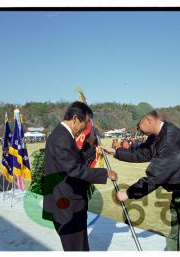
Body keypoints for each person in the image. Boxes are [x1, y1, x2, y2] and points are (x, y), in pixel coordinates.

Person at [103, 103, 180, 251]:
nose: (138, 130)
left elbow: (155, 178)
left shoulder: (170, 139)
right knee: (174, 238)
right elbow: (142, 153)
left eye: (138, 126)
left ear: (148, 120)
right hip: (179, 194)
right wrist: (116, 152)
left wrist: (128, 193)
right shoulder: (158, 135)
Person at [42, 101, 118, 251]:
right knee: (76, 248)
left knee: (79, 246)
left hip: (68, 204)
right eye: (86, 122)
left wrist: (93, 149)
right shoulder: (61, 138)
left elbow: (73, 158)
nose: (85, 128)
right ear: (75, 119)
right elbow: (74, 169)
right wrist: (105, 173)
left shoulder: (61, 134)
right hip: (67, 208)